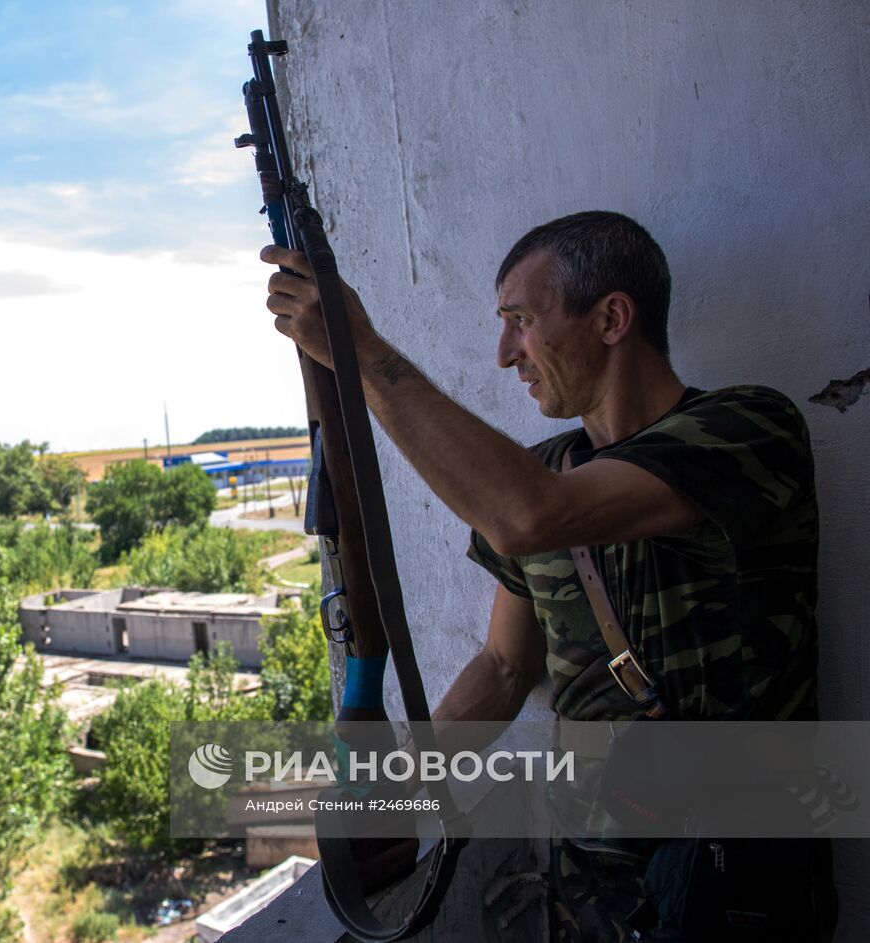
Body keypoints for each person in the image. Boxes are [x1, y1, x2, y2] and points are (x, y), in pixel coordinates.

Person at [262, 210, 831, 941]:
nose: (506, 353)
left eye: (521, 320)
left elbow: (532, 516)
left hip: (733, 882)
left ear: (612, 317)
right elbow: (505, 665)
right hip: (592, 890)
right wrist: (397, 781)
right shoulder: (542, 468)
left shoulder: (749, 428)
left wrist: (362, 352)